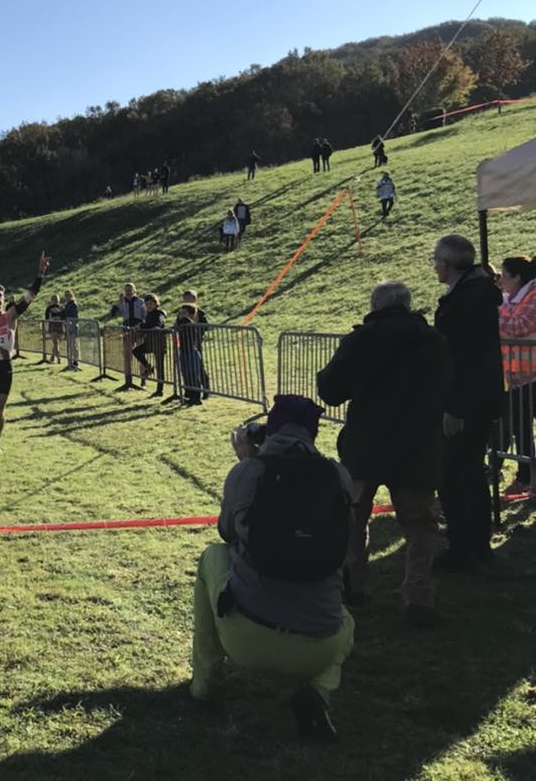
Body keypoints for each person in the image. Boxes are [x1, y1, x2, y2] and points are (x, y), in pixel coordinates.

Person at [190, 395, 355, 741]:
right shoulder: (338, 477)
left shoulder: (247, 473)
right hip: (320, 642)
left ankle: (206, 682)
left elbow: (227, 532)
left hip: (247, 639)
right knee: (348, 622)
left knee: (212, 557)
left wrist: (248, 462)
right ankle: (320, 692)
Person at [316, 282, 451, 627]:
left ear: (375, 306)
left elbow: (331, 390)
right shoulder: (433, 340)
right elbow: (448, 385)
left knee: (353, 517)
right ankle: (418, 595)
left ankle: (353, 586)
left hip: (367, 443)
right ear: (407, 306)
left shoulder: (362, 339)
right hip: (418, 444)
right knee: (420, 524)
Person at [431, 235, 504, 572]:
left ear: (447, 264)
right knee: (468, 471)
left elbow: (466, 359)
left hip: (466, 401)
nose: (434, 265)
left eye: (436, 259)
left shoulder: (466, 302)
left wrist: (455, 407)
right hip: (476, 398)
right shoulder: (474, 296)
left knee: (458, 473)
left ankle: (465, 547)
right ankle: (475, 545)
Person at [0, 252, 50, 453]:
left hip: (5, 369)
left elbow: (31, 295)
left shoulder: (11, 316)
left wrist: (40, 273)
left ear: (4, 299)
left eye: (0, 295)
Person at [497, 256, 536, 495]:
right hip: (518, 377)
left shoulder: (533, 298)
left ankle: (527, 477)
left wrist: (494, 315)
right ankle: (526, 476)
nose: (500, 280)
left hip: (532, 375)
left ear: (517, 277)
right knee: (520, 429)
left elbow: (520, 325)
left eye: (504, 275)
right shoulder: (512, 299)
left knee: (522, 428)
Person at [131, 294, 167, 397]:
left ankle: (159, 390)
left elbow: (157, 324)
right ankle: (149, 367)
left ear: (156, 304)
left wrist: (141, 326)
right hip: (150, 342)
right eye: (146, 304)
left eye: (151, 303)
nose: (148, 306)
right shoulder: (147, 314)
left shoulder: (159, 313)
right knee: (136, 351)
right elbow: (147, 325)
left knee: (160, 367)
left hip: (159, 343)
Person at [176, 304, 207, 405]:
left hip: (191, 352)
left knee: (192, 375)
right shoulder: (183, 323)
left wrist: (178, 322)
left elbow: (178, 325)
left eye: (184, 313)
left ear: (190, 314)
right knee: (186, 375)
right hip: (184, 351)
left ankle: (196, 397)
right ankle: (190, 395)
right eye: (180, 313)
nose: (181, 315)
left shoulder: (187, 322)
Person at [62, 290, 80, 372]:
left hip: (73, 326)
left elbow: (75, 317)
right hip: (67, 326)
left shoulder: (73, 305)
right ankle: (70, 360)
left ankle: (75, 360)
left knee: (73, 344)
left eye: (68, 295)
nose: (67, 297)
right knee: (69, 344)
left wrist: (72, 326)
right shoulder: (66, 305)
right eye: (66, 296)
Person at [44, 295, 64, 364]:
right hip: (52, 326)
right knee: (55, 343)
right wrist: (46, 328)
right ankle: (59, 358)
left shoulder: (61, 308)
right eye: (54, 300)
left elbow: (63, 317)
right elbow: (46, 319)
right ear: (51, 300)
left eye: (57, 300)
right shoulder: (49, 308)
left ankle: (53, 355)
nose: (56, 302)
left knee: (58, 343)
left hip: (60, 326)